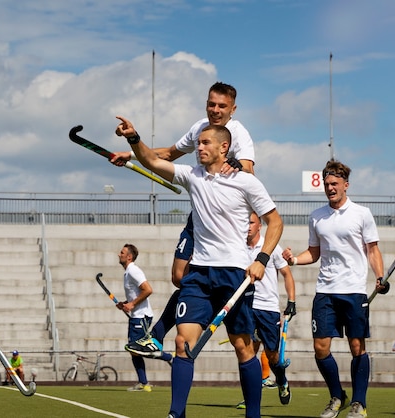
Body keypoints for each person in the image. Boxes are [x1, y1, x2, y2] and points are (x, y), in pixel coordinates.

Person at [115, 117, 283, 418]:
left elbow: (276, 221)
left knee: (243, 347)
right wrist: (134, 139)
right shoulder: (192, 176)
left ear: (224, 147)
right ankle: (176, 414)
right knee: (182, 343)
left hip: (234, 275)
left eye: (205, 143)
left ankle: (253, 415)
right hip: (199, 276)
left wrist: (262, 259)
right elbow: (152, 160)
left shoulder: (246, 181)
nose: (199, 148)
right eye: (198, 143)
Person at [121, 82, 254, 361]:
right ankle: (159, 334)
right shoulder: (199, 129)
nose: (215, 110)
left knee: (239, 341)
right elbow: (168, 154)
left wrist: (236, 165)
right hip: (200, 217)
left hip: (226, 221)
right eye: (211, 104)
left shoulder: (239, 134)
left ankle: (160, 331)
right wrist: (132, 154)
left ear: (233, 109)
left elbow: (249, 168)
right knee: (179, 276)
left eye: (222, 106)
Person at [282, 159, 388, 418]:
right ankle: (337, 395)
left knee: (356, 346)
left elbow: (372, 250)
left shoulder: (362, 214)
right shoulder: (317, 216)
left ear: (345, 185)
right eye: (327, 184)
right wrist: (294, 259)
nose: (330, 188)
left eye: (335, 184)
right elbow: (314, 253)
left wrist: (380, 276)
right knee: (320, 348)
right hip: (325, 291)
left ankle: (359, 403)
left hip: (353, 290)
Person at [237, 212, 296, 407]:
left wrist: (292, 302)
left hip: (268, 309)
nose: (248, 226)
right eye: (245, 223)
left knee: (272, 357)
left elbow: (286, 274)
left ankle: (281, 379)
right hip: (246, 307)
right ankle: (251, 397)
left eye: (251, 223)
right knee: (247, 354)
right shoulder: (237, 247)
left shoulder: (270, 246)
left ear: (260, 225)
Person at [117, 243, 154, 392]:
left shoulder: (133, 271)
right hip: (136, 316)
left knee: (136, 349)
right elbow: (136, 293)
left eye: (122, 252)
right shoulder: (128, 272)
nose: (119, 254)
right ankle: (143, 382)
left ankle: (168, 358)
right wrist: (125, 303)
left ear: (129, 256)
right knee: (134, 349)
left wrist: (131, 304)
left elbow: (148, 290)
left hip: (141, 316)